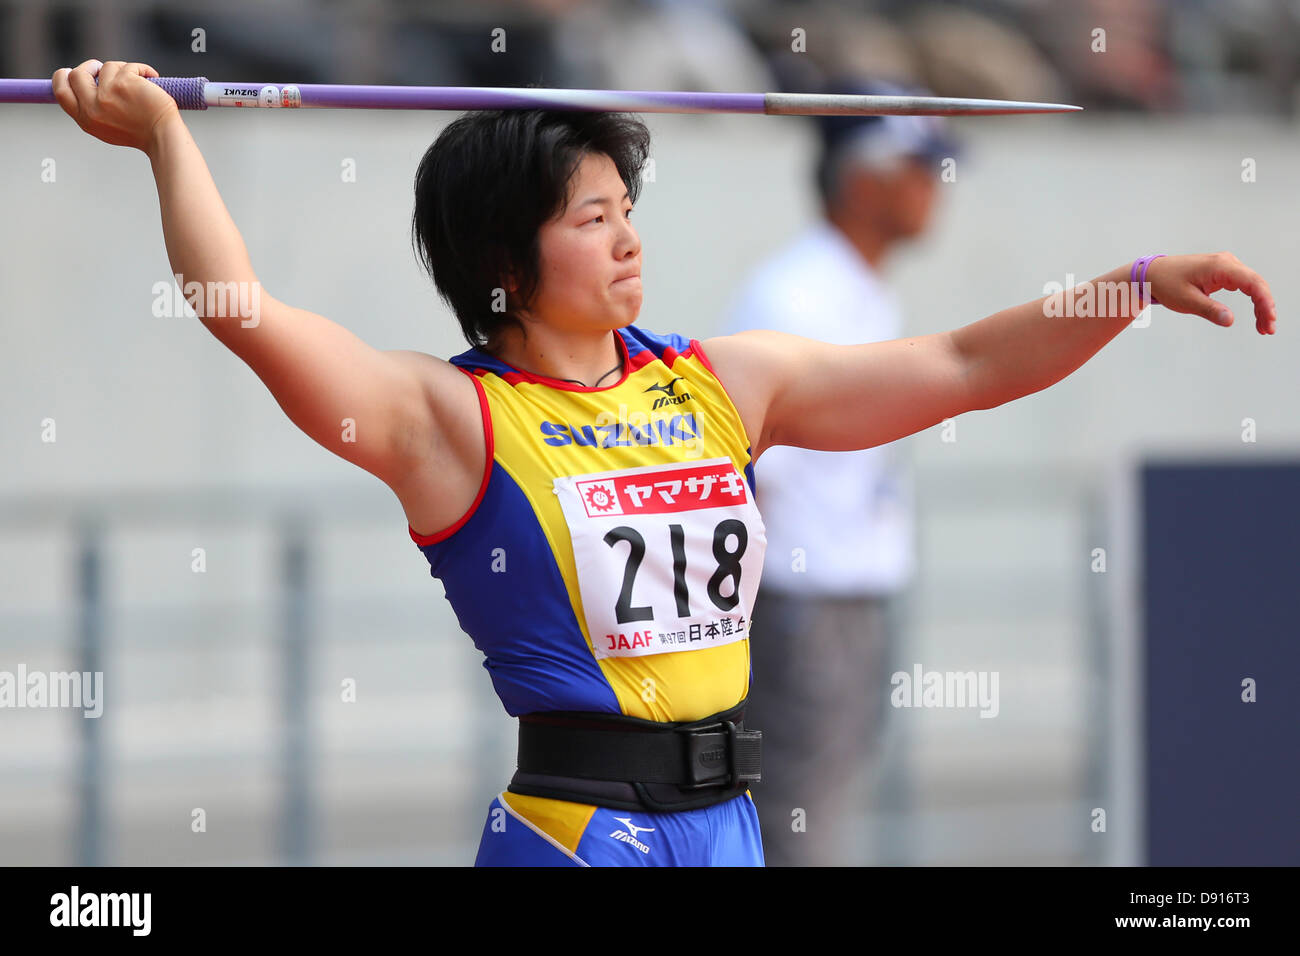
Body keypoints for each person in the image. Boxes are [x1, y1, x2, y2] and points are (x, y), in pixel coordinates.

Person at [52, 58, 1278, 867]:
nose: (629, 238)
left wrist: (1127, 286)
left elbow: (959, 365)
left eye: (624, 206)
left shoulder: (718, 379)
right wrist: (165, 132)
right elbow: (239, 308)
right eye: (591, 218)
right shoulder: (449, 419)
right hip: (584, 833)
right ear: (506, 264)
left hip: (732, 824)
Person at [720, 80, 955, 866]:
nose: (936, 187)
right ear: (862, 177)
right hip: (799, 605)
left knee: (820, 816)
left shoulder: (851, 287)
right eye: (918, 166)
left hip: (842, 597)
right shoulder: (795, 294)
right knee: (797, 828)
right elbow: (741, 471)